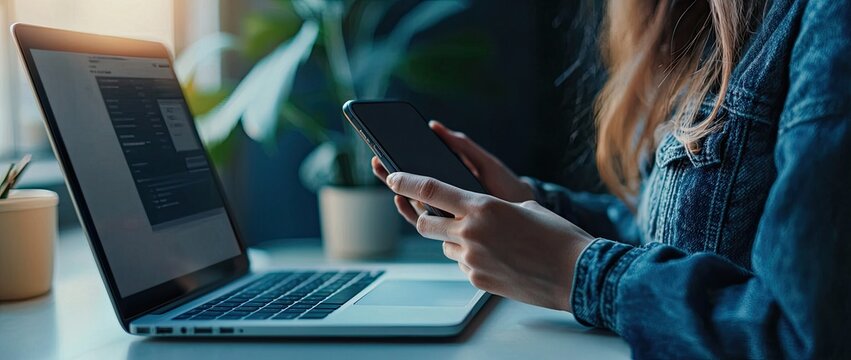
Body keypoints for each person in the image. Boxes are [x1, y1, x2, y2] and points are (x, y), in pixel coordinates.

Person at [369, 0, 851, 358]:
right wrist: (530, 207)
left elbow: (806, 335)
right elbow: (677, 235)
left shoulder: (828, 19)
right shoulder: (707, 18)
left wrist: (577, 270)